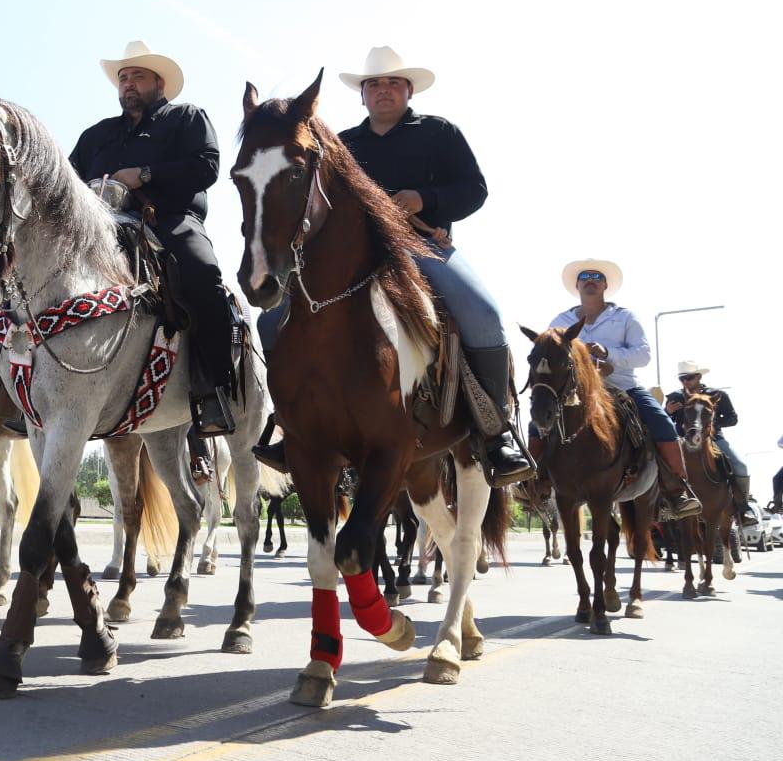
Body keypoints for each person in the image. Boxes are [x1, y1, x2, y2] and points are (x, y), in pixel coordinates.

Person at [253, 46, 532, 486]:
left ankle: (497, 431)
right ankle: (294, 428)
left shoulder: (439, 133)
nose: (383, 90)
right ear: (362, 95)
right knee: (272, 321)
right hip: (355, 258)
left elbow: (474, 189)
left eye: (393, 83)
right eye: (374, 84)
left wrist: (426, 200)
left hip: (423, 246)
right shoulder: (342, 145)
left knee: (482, 313)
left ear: (408, 90)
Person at [68, 40, 235, 440]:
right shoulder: (96, 135)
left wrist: (143, 174)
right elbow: (66, 182)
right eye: (123, 77)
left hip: (168, 221)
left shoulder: (187, 118)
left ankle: (213, 389)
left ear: (159, 83)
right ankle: (34, 395)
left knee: (202, 276)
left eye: (137, 76)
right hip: (99, 229)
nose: (128, 84)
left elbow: (207, 166)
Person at [549, 259, 701, 519]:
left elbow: (643, 355)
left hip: (623, 387)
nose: (590, 280)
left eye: (596, 277)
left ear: (605, 285)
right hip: (576, 391)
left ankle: (677, 492)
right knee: (539, 421)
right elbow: (549, 353)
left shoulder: (624, 317)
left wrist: (609, 354)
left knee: (663, 424)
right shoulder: (561, 320)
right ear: (577, 285)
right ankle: (533, 484)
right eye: (584, 276)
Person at [664, 361, 755, 525]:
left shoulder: (717, 395)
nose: (685, 382)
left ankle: (743, 508)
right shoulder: (675, 397)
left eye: (689, 378)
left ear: (698, 376)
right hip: (683, 440)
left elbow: (732, 419)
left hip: (713, 438)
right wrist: (667, 412)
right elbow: (665, 422)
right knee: (661, 464)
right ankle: (663, 506)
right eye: (682, 379)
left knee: (740, 466)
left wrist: (710, 424)